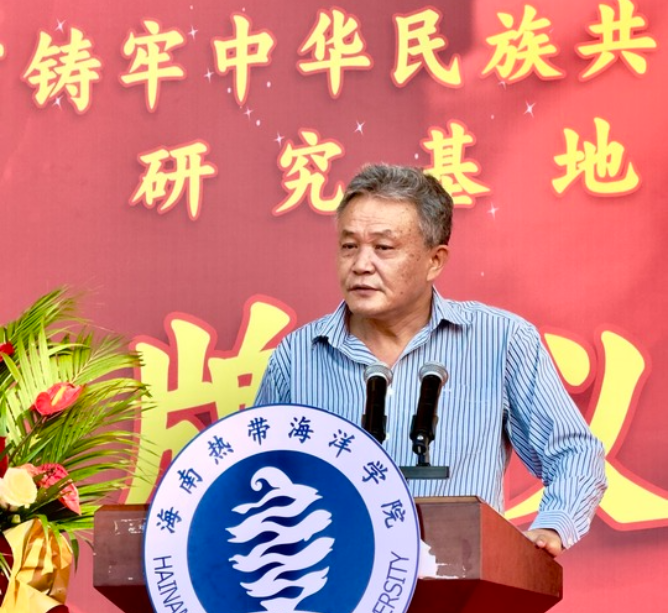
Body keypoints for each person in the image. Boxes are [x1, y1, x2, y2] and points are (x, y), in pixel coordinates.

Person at [255, 163, 607, 557]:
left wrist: (553, 525)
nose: (361, 264)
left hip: (459, 576)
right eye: (349, 246)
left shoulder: (500, 341)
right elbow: (259, 474)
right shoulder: (298, 356)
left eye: (383, 248)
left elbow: (573, 452)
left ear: (435, 260)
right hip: (336, 576)